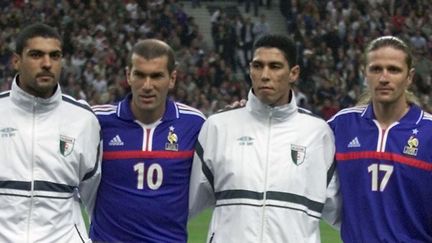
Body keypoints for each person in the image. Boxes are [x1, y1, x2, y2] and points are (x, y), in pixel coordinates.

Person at [189, 34, 340, 242]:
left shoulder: (318, 133)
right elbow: (185, 204)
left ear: (293, 73)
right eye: (258, 66)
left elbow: (342, 213)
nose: (265, 75)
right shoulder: (218, 127)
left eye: (275, 66)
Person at [90, 39, 206, 242]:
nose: (147, 86)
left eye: (156, 76)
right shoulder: (97, 121)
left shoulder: (195, 124)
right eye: (140, 75)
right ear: (128, 75)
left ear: (172, 78)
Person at [0, 23, 101, 242]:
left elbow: (96, 199)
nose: (47, 64)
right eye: (36, 55)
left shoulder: (84, 120)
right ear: (16, 61)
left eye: (54, 56)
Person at [328, 36, 432, 241]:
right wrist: (248, 116)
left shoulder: (429, 131)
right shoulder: (341, 125)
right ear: (365, 74)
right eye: (376, 69)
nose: (384, 78)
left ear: (409, 77)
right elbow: (294, 140)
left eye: (394, 70)